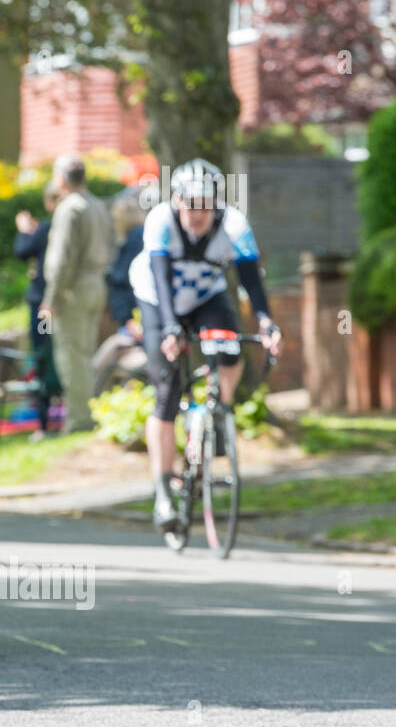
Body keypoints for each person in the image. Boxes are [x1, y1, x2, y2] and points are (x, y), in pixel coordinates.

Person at [127, 158, 282, 533]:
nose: (196, 214)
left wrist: (266, 322)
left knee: (231, 351)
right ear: (177, 201)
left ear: (217, 204)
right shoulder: (160, 221)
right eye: (189, 204)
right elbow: (161, 279)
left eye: (205, 205)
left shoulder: (234, 225)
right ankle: (164, 492)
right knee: (166, 391)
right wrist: (168, 329)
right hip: (156, 299)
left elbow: (251, 282)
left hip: (204, 298)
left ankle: (219, 411)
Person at [38, 154, 113, 433]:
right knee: (85, 354)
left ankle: (79, 421)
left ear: (61, 179)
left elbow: (62, 259)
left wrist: (51, 299)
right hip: (97, 284)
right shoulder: (97, 205)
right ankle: (88, 414)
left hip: (74, 289)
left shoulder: (70, 208)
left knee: (71, 356)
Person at [14, 183, 59, 439]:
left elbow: (22, 251)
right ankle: (52, 416)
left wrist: (23, 231)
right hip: (54, 302)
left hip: (43, 304)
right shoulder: (55, 228)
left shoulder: (47, 227)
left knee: (42, 356)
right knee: (51, 357)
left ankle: (43, 422)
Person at [92, 189, 149, 387]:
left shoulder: (136, 239)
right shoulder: (139, 236)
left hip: (134, 315)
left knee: (109, 358)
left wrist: (106, 275)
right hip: (132, 315)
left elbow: (124, 277)